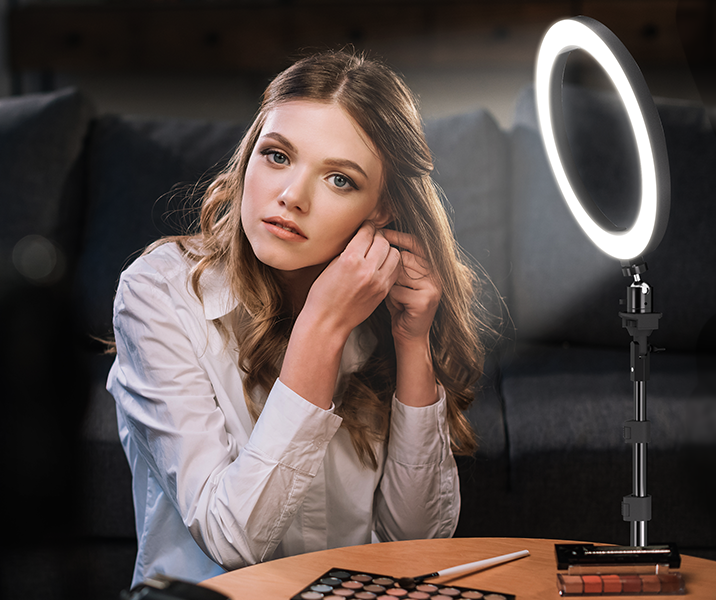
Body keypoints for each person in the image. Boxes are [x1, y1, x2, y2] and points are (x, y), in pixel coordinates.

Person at [106, 50, 488, 586]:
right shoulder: (158, 292)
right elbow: (230, 539)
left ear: (381, 209)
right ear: (249, 156)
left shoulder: (386, 303)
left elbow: (416, 543)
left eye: (339, 180)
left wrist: (412, 339)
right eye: (278, 156)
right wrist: (322, 327)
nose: (291, 197)